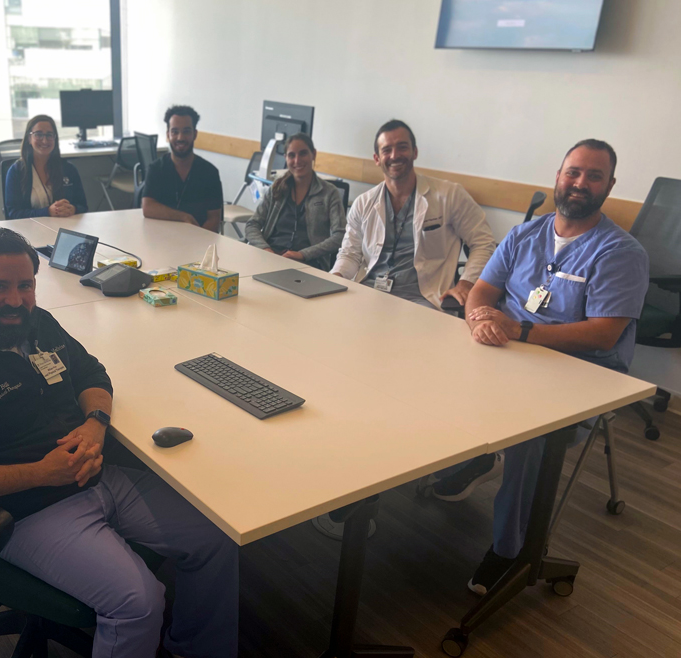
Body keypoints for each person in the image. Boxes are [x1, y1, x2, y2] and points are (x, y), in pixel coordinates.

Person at [0, 228, 238, 658]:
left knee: (219, 538)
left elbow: (92, 374)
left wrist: (95, 424)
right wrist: (41, 473)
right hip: (27, 511)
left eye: (25, 285)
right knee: (138, 604)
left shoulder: (38, 323)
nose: (15, 300)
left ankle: (195, 649)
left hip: (97, 477)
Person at [449, 139, 648, 594]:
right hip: (512, 356)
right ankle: (463, 463)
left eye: (593, 176)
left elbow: (603, 334)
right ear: (558, 176)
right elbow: (481, 291)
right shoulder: (525, 235)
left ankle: (510, 549)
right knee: (437, 380)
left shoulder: (621, 252)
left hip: (581, 374)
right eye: (573, 172)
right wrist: (480, 320)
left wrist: (519, 332)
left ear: (609, 186)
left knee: (531, 434)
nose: (580, 183)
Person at [330, 119, 496, 309]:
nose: (395, 155)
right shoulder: (363, 203)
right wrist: (335, 278)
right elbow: (350, 254)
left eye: (402, 147)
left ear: (414, 152)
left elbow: (483, 243)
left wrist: (466, 284)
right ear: (377, 159)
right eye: (387, 150)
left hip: (423, 300)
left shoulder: (450, 195)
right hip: (369, 291)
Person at [243, 133, 346, 270]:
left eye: (303, 153)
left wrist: (302, 254)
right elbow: (252, 224)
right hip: (271, 258)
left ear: (313, 154)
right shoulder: (277, 188)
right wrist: (265, 249)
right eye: (291, 155)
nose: (297, 160)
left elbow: (340, 236)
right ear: (286, 158)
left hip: (309, 264)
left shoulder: (329, 192)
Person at [142, 105, 224, 232]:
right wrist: (184, 217)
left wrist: (196, 240)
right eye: (175, 131)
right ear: (168, 134)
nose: (180, 138)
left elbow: (214, 219)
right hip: (161, 241)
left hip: (199, 243)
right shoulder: (156, 169)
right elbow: (147, 207)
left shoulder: (209, 172)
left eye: (186, 131)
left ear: (195, 134)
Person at [4, 114, 88, 219]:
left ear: (55, 138)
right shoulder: (16, 171)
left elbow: (83, 206)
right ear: (29, 139)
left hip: (64, 228)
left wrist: (73, 209)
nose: (44, 140)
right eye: (38, 134)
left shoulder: (69, 169)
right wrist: (47, 211)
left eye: (49, 135)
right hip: (29, 230)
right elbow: (13, 214)